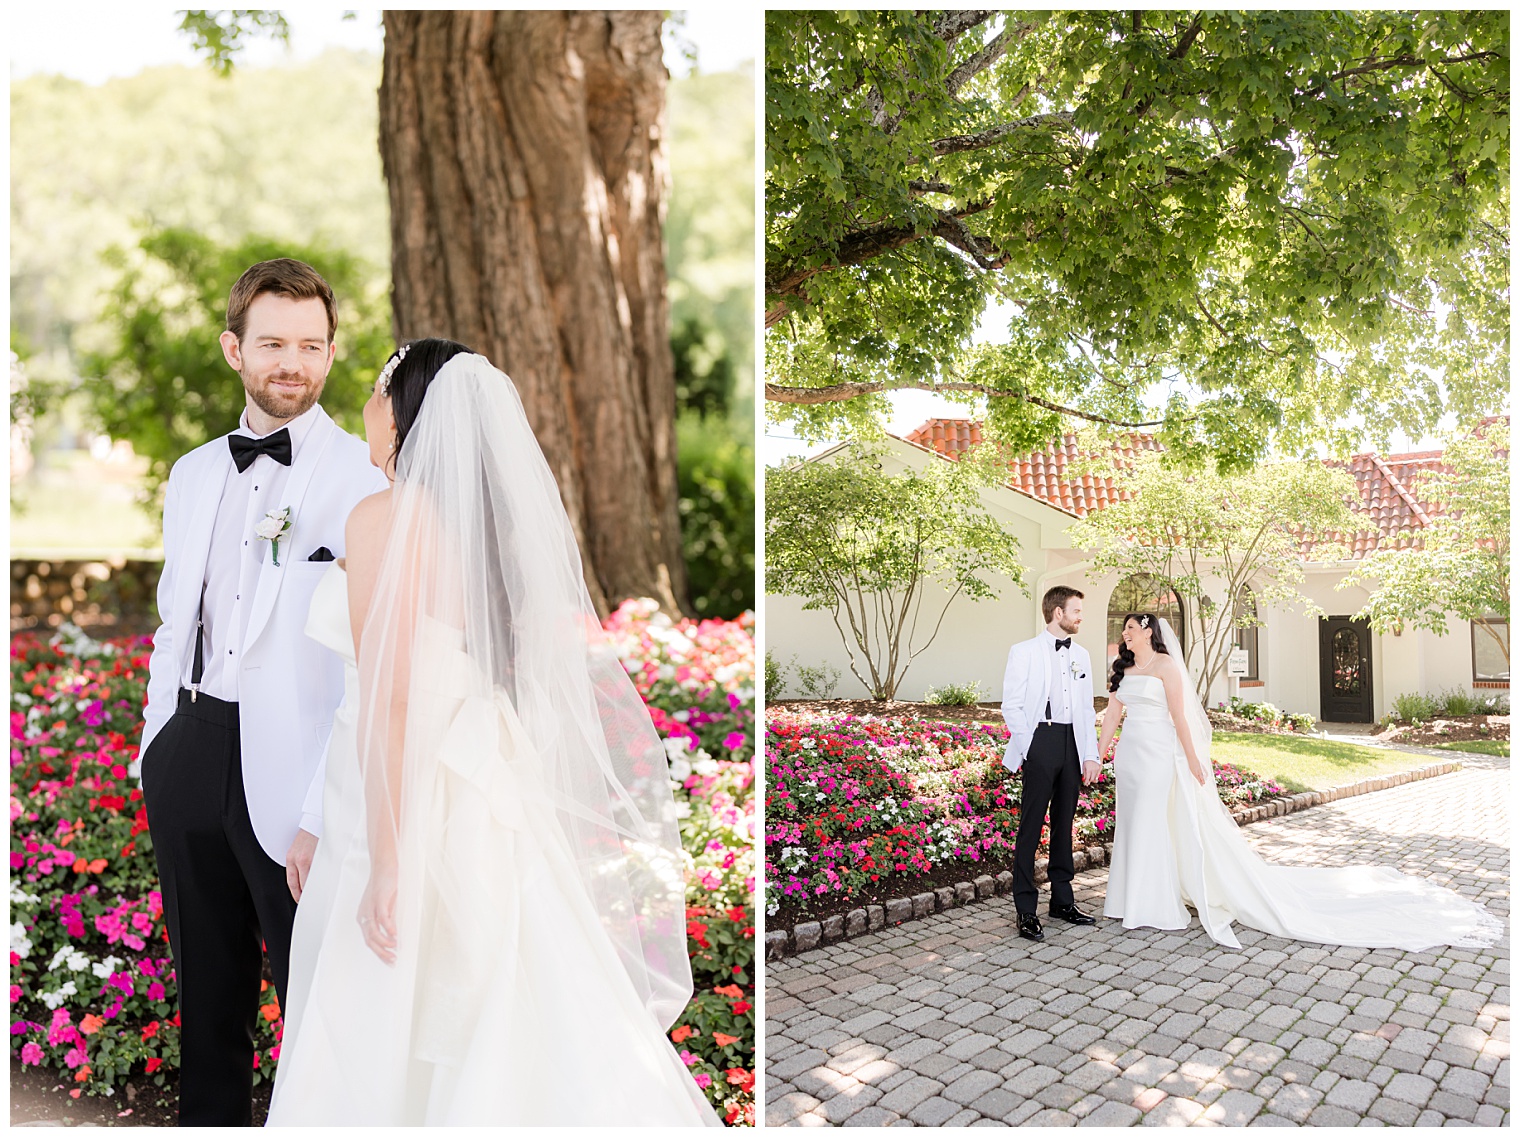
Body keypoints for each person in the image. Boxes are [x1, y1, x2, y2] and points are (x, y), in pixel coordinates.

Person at [266, 340, 720, 1125]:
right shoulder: (483, 530)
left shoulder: (381, 519)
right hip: (475, 777)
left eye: (376, 387)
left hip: (401, 782)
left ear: (400, 407)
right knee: (507, 983)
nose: (365, 405)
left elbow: (390, 700)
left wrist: (386, 857)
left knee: (380, 993)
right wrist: (314, 818)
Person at [138, 259, 388, 1124]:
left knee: (311, 993)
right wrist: (154, 751)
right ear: (233, 348)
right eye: (275, 343)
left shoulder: (367, 477)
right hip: (193, 747)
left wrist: (327, 806)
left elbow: (373, 663)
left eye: (312, 345)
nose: (294, 362)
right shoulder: (194, 472)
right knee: (204, 996)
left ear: (329, 353)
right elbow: (177, 625)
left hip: (301, 768)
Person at [1100, 612, 1503, 951]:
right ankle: (1128, 896)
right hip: (1131, 756)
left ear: (1149, 631)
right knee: (1134, 821)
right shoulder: (1124, 668)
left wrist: (1192, 759)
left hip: (1159, 755)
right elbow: (1114, 715)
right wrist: (1099, 753)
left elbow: (1180, 717)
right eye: (1125, 629)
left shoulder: (1167, 667)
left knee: (1154, 820)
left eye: (1131, 627)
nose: (1126, 632)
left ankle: (1152, 901)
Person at [999, 586, 1102, 943]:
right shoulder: (1023, 651)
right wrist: (1031, 748)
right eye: (1075, 610)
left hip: (1073, 742)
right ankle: (1026, 909)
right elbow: (1010, 705)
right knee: (1030, 826)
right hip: (1039, 740)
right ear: (1057, 613)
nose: (1080, 617)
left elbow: (1087, 709)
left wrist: (1090, 754)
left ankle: (1062, 901)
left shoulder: (1083, 655)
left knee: (1064, 823)